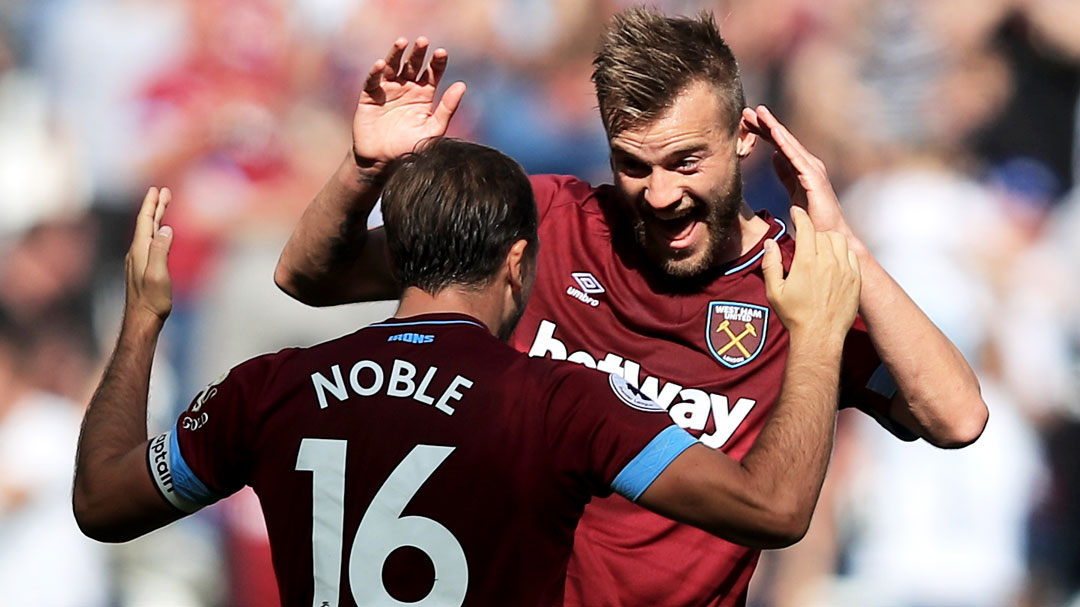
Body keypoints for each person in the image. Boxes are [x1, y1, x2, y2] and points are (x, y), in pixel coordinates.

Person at [273, 8, 989, 606]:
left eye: (685, 161)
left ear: (744, 137)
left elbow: (957, 417)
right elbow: (312, 276)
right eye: (632, 164)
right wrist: (365, 170)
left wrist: (847, 248)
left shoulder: (800, 282)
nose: (660, 194)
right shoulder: (547, 220)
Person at [73, 138, 864, 607]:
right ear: (517, 264)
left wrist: (143, 320)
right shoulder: (555, 402)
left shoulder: (272, 386)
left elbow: (103, 500)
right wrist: (820, 333)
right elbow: (774, 507)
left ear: (402, 254)